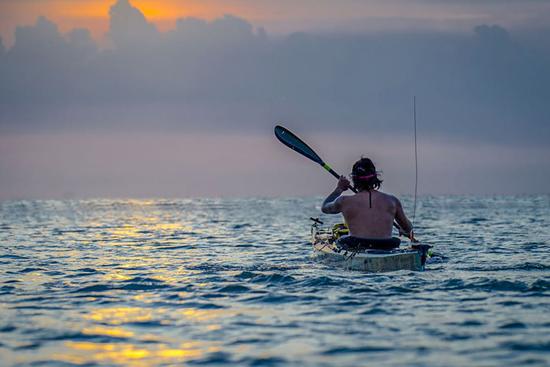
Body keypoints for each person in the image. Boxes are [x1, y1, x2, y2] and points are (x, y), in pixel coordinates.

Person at [321, 157, 414, 244]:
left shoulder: (343, 201)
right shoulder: (392, 201)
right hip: (386, 247)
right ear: (375, 177)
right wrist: (403, 229)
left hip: (357, 246)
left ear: (354, 179)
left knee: (341, 239)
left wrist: (339, 189)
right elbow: (408, 228)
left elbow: (324, 207)